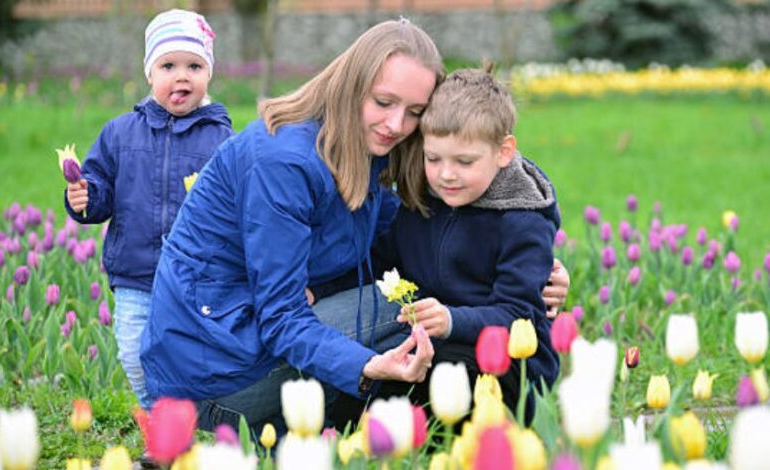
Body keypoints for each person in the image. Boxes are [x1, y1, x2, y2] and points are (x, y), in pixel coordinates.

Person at [140, 19, 442, 438]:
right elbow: (282, 317)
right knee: (408, 302)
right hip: (209, 384)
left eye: (415, 112)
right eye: (384, 101)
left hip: (242, 343)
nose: (396, 124)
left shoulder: (363, 151)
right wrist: (366, 366)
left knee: (427, 291)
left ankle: (326, 428)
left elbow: (414, 235)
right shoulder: (285, 162)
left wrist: (521, 259)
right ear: (352, 85)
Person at [64, 9, 234, 412]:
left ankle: (182, 421)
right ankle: (163, 422)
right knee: (133, 353)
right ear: (149, 74)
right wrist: (86, 199)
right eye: (168, 65)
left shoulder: (221, 138)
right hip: (136, 273)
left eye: (195, 66)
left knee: (186, 356)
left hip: (195, 277)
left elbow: (236, 200)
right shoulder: (121, 133)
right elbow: (99, 186)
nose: (182, 76)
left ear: (208, 74)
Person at [373, 65, 562, 423]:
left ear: (503, 152)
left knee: (444, 381)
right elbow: (383, 263)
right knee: (379, 392)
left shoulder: (522, 220)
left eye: (464, 161)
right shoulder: (421, 201)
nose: (446, 174)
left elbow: (519, 314)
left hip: (507, 364)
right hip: (434, 347)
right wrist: (322, 288)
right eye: (433, 158)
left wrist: (449, 320)